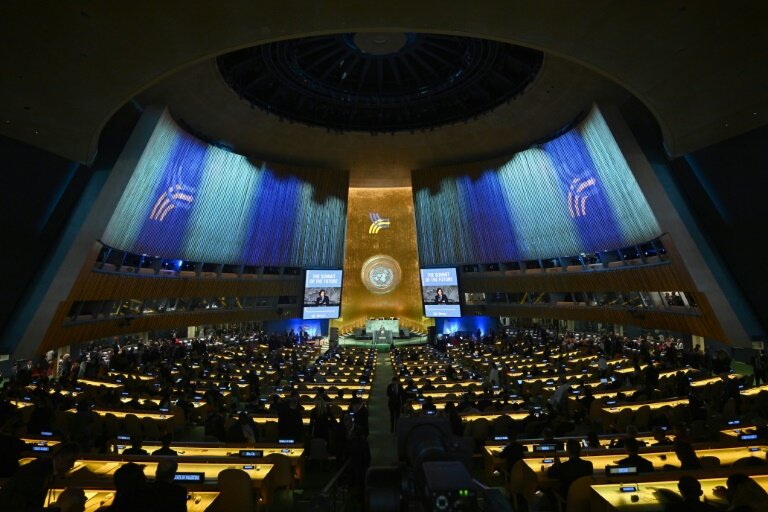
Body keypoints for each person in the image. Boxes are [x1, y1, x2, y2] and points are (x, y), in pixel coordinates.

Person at [0, 442, 80, 510]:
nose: (72, 465)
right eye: (70, 461)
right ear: (59, 458)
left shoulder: (44, 468)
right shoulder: (39, 472)